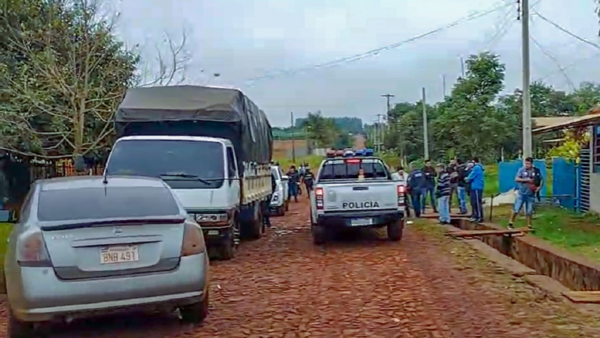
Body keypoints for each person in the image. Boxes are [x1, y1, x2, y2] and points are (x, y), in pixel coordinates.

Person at [508, 157, 542, 230]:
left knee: (529, 210)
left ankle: (529, 225)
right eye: (526, 163)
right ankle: (511, 223)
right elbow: (516, 179)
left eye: (528, 163)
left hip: (531, 194)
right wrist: (526, 180)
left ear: (532, 164)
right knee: (516, 209)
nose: (527, 165)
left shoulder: (536, 171)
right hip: (521, 193)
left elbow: (541, 180)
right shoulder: (521, 170)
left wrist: (539, 188)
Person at [466, 157, 485, 223]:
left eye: (472, 162)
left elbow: (470, 177)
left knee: (477, 202)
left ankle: (479, 217)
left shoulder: (477, 168)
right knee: (474, 202)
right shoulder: (477, 167)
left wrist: (467, 178)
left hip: (477, 187)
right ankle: (476, 215)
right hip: (474, 187)